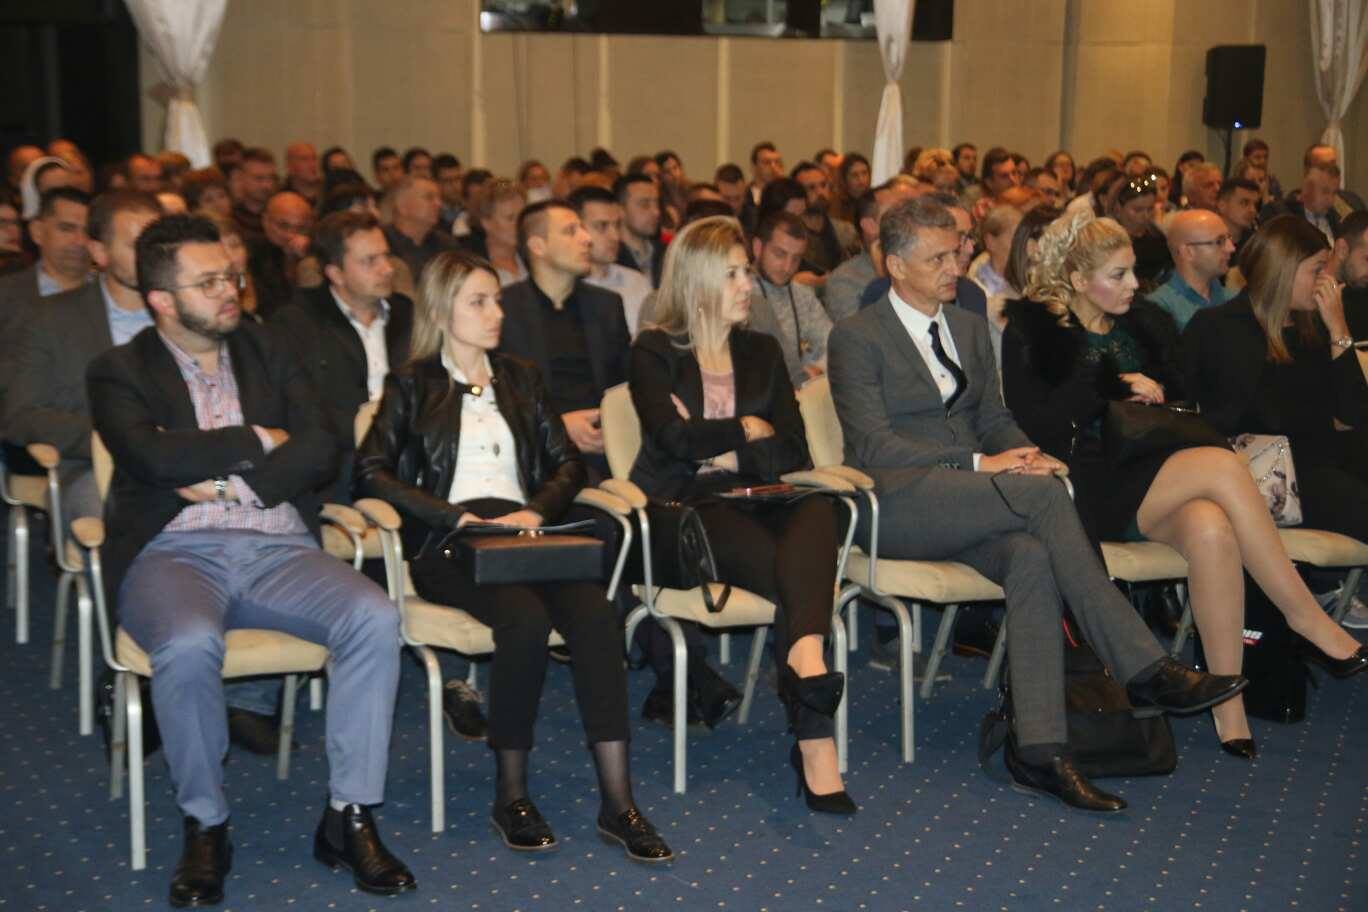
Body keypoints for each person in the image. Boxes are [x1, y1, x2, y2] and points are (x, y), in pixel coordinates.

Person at [827, 197, 1247, 813]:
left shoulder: (968, 325)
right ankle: (1145, 667)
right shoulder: (856, 336)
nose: (955, 266)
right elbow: (873, 445)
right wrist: (982, 463)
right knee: (1044, 498)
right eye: (937, 258)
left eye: (957, 252)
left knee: (1028, 556)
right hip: (896, 501)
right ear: (895, 264)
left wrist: (1027, 452)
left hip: (974, 502)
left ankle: (1040, 749)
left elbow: (993, 418)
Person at [88, 214, 415, 906]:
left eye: (230, 276)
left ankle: (349, 815)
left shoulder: (269, 346)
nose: (229, 291)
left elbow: (323, 443)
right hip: (172, 551)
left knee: (375, 617)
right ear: (161, 300)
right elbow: (151, 456)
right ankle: (206, 823)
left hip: (277, 542)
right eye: (207, 283)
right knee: (187, 642)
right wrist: (260, 437)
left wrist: (234, 482)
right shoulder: (118, 370)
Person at [1002, 210, 1365, 756]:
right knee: (1221, 465)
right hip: (1081, 485)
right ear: (1077, 279)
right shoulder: (1035, 333)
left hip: (1147, 474)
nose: (1133, 285)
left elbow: (1182, 411)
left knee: (1211, 527)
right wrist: (1109, 387)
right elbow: (1037, 425)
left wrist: (1153, 393)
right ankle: (1303, 615)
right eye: (1118, 275)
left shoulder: (1143, 327)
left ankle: (1228, 708)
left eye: (1132, 271)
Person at [354, 248, 672, 862]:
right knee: (523, 621)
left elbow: (567, 464)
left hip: (525, 534)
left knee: (597, 616)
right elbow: (369, 471)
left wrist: (537, 512)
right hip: (450, 541)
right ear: (443, 310)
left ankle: (618, 801)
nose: (495, 312)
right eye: (478, 302)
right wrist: (450, 515)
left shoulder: (521, 378)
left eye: (496, 299)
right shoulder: (411, 384)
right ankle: (512, 795)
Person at [631, 215, 854, 814]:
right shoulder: (655, 350)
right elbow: (673, 443)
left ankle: (804, 659)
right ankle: (815, 741)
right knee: (795, 576)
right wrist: (747, 428)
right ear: (697, 280)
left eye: (746, 273)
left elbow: (795, 452)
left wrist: (723, 445)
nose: (747, 285)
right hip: (693, 505)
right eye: (731, 274)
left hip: (766, 493)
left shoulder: (761, 351)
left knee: (818, 504)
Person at [1183, 214, 1368, 653]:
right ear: (1284, 270)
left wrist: (1339, 331)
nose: (1325, 281)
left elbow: (1353, 413)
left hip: (1319, 463)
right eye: (1316, 269)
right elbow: (1229, 418)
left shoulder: (1311, 329)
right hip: (1269, 478)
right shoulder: (1220, 328)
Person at [5, 189, 161, 520]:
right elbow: (20, 415)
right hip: (95, 470)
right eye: (137, 246)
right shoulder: (50, 319)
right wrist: (115, 436)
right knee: (123, 515)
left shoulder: (188, 313)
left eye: (159, 245)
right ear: (100, 252)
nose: (152, 257)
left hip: (187, 463)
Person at [747, 210, 832, 387]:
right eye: (779, 254)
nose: (787, 267)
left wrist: (818, 369)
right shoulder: (739, 294)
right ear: (757, 248)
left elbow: (834, 343)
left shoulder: (802, 295)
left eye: (796, 259)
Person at [570, 185, 652, 337]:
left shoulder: (637, 282)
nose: (615, 236)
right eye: (602, 226)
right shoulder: (565, 289)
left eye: (617, 225)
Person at [1147, 209, 1235, 330]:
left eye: (1229, 238)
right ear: (1188, 252)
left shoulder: (1234, 299)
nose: (1231, 248)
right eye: (1219, 241)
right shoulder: (1159, 308)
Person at [246, 191, 313, 319]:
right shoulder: (250, 254)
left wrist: (309, 259)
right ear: (265, 221)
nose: (291, 235)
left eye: (301, 228)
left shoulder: (313, 254)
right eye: (283, 226)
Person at [383, 176, 457, 283]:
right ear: (402, 206)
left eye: (439, 198)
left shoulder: (446, 244)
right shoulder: (383, 243)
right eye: (429, 197)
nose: (439, 204)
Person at [1105, 172, 1171, 290]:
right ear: (1118, 209)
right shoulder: (1106, 240)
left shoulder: (1157, 236)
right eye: (1138, 210)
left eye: (1150, 209)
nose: (1146, 216)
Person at [790, 160, 859, 274]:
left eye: (823, 185)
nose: (820, 192)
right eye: (811, 188)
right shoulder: (790, 234)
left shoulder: (846, 232)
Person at [1261, 163, 1341, 243]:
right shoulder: (1280, 213)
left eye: (1334, 193)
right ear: (1307, 189)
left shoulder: (1336, 218)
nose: (1331, 200)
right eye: (1325, 192)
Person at [614, 174, 665, 287]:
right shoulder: (612, 257)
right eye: (645, 205)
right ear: (620, 210)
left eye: (657, 204)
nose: (656, 212)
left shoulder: (667, 254)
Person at [228, 147, 277, 237]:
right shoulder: (229, 219)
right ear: (240, 178)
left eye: (271, 178)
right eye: (259, 178)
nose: (267, 185)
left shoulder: (281, 214)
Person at [1216, 177, 1261, 257]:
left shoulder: (1255, 244)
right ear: (1222, 205)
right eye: (1244, 203)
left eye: (1255, 204)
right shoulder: (1206, 240)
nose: (1252, 210)